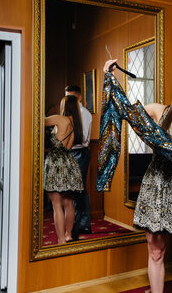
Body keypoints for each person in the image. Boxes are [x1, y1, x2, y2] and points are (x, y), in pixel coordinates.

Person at [103, 59, 172, 293]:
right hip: (157, 184)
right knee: (156, 251)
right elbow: (126, 111)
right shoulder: (158, 111)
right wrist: (111, 78)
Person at [44, 95, 85, 244]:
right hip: (69, 162)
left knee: (56, 204)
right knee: (68, 202)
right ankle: (68, 235)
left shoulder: (60, 119)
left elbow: (39, 120)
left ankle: (61, 240)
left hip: (56, 162)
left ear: (64, 106)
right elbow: (67, 147)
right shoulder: (76, 124)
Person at [65, 85, 93, 236]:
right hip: (70, 153)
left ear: (79, 97)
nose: (69, 101)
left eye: (71, 98)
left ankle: (82, 224)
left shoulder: (84, 113)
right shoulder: (67, 114)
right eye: (66, 97)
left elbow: (81, 138)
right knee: (73, 189)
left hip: (79, 152)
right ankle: (78, 222)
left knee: (77, 189)